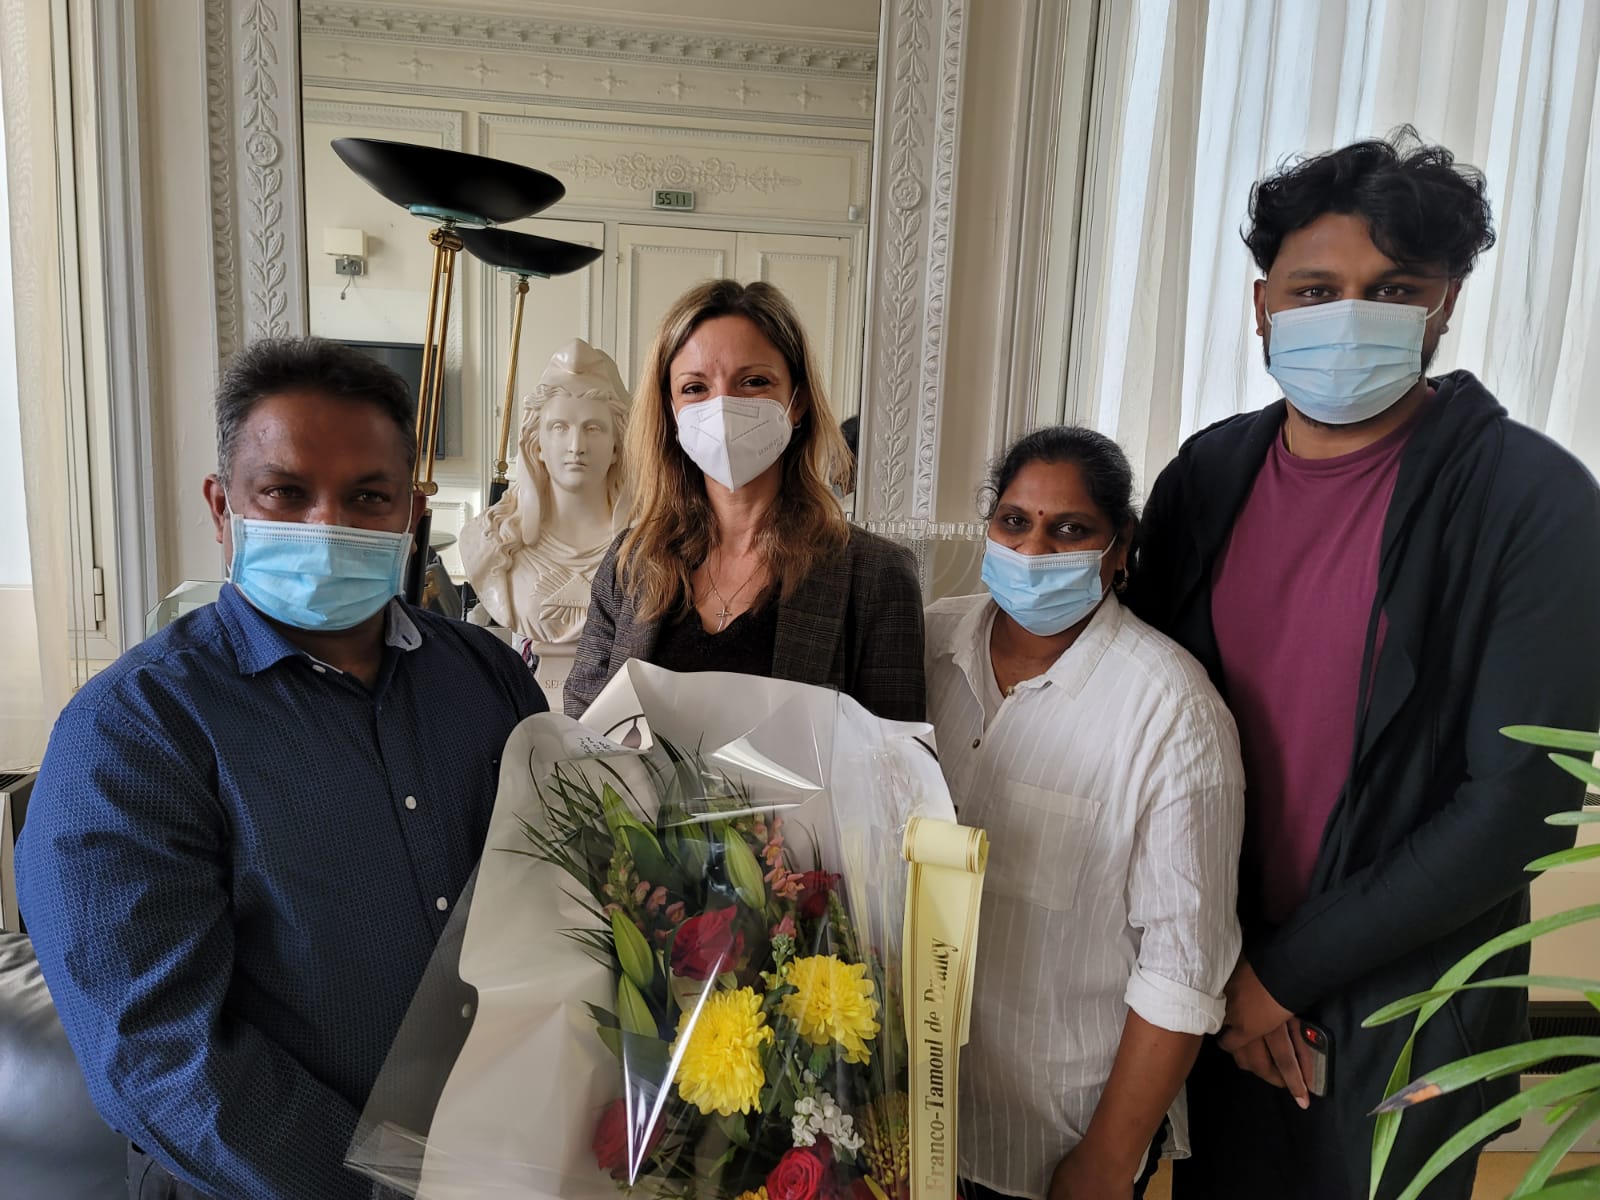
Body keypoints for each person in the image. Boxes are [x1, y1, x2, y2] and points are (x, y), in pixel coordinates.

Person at [1126, 131, 1600, 1199]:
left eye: (1392, 289)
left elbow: (1518, 808)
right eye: (1314, 289)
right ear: (1262, 306)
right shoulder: (1207, 478)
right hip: (1215, 983)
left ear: (1445, 303)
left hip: (1406, 1010)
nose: (1349, 314)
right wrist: (1225, 973)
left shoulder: (1533, 502)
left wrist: (1282, 977)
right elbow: (1146, 727)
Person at [17, 337, 548, 1200]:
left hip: (520, 1154)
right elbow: (161, 1054)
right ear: (222, 506)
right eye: (285, 493)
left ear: (413, 514)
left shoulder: (487, 678)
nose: (326, 526)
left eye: (368, 497)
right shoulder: (132, 735)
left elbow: (558, 896)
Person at [928, 427, 1245, 1200]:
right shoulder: (926, 644)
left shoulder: (1171, 710)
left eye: (1069, 530)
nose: (1034, 550)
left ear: (1119, 546)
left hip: (1055, 1137)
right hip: (909, 1111)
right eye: (1014, 522)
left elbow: (1182, 968)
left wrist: (1106, 1160)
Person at [566, 279, 925, 721]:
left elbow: (895, 754)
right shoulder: (631, 562)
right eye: (694, 388)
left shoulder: (877, 576)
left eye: (754, 382)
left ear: (798, 401)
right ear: (671, 412)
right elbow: (582, 725)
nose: (723, 407)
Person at [459, 337, 631, 646]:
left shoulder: (649, 544)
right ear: (536, 445)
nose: (576, 446)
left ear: (616, 447)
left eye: (593, 429)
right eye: (560, 428)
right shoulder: (490, 541)